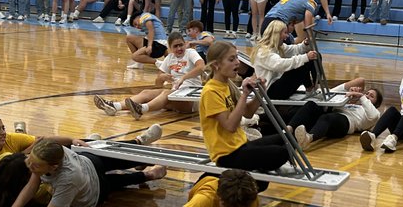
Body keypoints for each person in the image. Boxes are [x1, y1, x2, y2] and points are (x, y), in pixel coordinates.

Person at [0, 139, 166, 207]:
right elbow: (31, 186)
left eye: (35, 164)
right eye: (29, 160)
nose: (29, 165)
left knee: (112, 181)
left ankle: (145, 165)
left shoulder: (68, 179)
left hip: (93, 188)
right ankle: (149, 174)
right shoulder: (49, 153)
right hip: (87, 168)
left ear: (53, 166)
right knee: (110, 172)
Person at [198, 41, 295, 174]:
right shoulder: (211, 91)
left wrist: (261, 92)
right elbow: (230, 126)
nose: (237, 62)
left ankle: (267, 164)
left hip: (240, 145)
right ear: (216, 65)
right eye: (231, 59)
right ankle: (267, 166)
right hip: (226, 155)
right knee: (281, 152)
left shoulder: (227, 85)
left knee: (288, 137)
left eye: (236, 57)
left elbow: (248, 113)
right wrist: (244, 95)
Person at [94, 31, 205, 118]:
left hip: (190, 100)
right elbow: (158, 84)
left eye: (181, 45)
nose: (179, 48)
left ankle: (141, 109)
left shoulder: (191, 53)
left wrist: (183, 78)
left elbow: (201, 67)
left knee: (166, 93)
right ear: (170, 48)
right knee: (146, 92)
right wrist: (162, 77)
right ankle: (114, 107)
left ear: (185, 44)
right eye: (175, 46)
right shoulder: (170, 58)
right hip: (175, 95)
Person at [252, 19, 319, 100]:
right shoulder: (263, 52)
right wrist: (306, 57)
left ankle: (312, 88)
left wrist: (305, 44)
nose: (287, 36)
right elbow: (281, 65)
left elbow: (294, 50)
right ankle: (313, 88)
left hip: (278, 87)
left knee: (314, 56)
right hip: (271, 92)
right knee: (305, 61)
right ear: (276, 34)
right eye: (285, 33)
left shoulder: (278, 46)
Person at [125, 5, 168, 69]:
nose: (137, 27)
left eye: (135, 23)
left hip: (158, 45)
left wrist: (149, 46)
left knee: (134, 56)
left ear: (137, 17)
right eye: (135, 26)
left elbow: (151, 30)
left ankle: (158, 62)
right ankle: (139, 62)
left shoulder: (144, 16)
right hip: (158, 44)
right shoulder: (146, 18)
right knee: (129, 38)